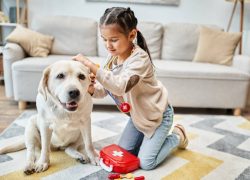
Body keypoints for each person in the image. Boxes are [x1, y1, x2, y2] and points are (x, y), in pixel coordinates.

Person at [72, 7, 188, 170]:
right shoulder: (112, 57)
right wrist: (90, 87)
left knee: (146, 163)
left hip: (157, 115)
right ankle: (148, 142)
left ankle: (177, 135)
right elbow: (104, 90)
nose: (108, 45)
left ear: (132, 35)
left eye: (113, 39)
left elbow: (120, 87)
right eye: (104, 39)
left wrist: (91, 66)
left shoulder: (139, 59)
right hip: (138, 116)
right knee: (125, 154)